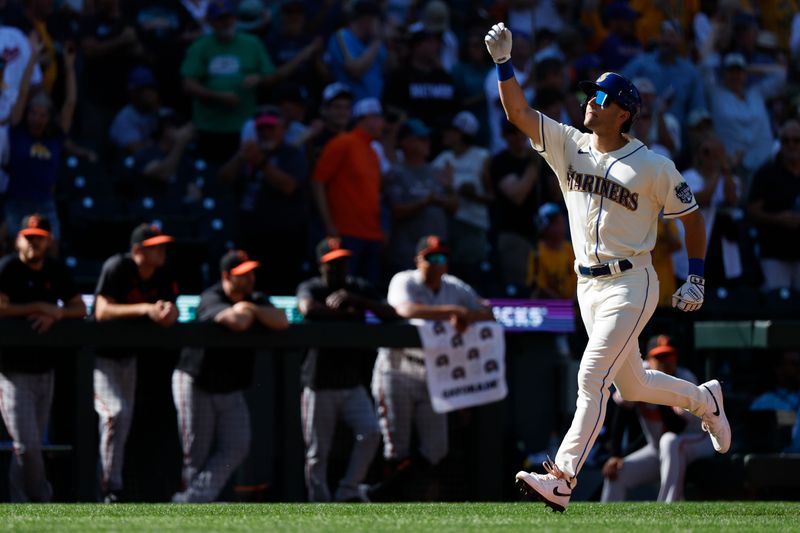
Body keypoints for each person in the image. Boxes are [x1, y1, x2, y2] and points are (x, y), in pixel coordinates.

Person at [485, 22, 730, 513]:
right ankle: (705, 400)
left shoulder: (653, 166)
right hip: (587, 286)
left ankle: (563, 477)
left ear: (624, 113)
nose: (590, 101)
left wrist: (696, 276)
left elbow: (694, 218)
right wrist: (504, 65)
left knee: (591, 375)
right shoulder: (567, 143)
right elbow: (516, 112)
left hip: (632, 282)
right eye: (591, 94)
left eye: (601, 96)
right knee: (632, 385)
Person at [370, 235, 495, 500]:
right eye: (431, 257)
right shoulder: (404, 280)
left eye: (442, 257)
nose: (438, 263)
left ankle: (398, 496)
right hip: (398, 368)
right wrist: (454, 312)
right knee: (396, 447)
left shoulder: (454, 286)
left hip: (435, 373)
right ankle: (386, 502)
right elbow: (404, 310)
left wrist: (466, 315)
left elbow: (488, 312)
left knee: (436, 449)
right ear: (418, 260)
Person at [173, 250, 289, 502]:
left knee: (237, 445)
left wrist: (250, 308)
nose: (249, 279)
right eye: (242, 275)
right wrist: (249, 312)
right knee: (196, 452)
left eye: (251, 273)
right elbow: (237, 322)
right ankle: (192, 505)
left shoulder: (255, 299)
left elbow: (281, 320)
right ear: (226, 276)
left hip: (229, 385)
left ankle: (191, 500)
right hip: (196, 380)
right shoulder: (211, 296)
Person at [297, 237, 398, 502]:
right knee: (317, 452)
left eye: (342, 261)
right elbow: (306, 307)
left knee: (371, 432)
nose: (339, 267)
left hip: (351, 382)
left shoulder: (357, 287)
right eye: (333, 263)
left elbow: (392, 313)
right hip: (318, 383)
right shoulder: (313, 287)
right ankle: (319, 502)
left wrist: (357, 301)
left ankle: (347, 491)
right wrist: (345, 315)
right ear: (321, 265)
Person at [0, 214, 86, 502]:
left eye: (40, 237)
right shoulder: (8, 268)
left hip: (44, 371)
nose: (34, 242)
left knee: (27, 446)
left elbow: (80, 308)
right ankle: (42, 500)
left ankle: (18, 504)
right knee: (27, 445)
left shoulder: (55, 270)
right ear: (18, 239)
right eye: (29, 237)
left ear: (49, 241)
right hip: (12, 372)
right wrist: (37, 306)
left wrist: (57, 313)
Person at [93, 224, 179, 503]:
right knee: (115, 414)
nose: (162, 251)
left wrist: (169, 313)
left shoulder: (164, 273)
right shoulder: (118, 266)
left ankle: (112, 486)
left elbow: (172, 307)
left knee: (124, 419)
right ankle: (108, 488)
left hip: (130, 359)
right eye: (155, 246)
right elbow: (101, 310)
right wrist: (146, 308)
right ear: (138, 249)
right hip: (101, 358)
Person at [601, 335, 714, 503]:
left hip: (697, 442)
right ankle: (604, 525)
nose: (665, 362)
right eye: (659, 357)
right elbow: (621, 411)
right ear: (648, 360)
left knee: (670, 441)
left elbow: (677, 427)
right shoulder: (638, 377)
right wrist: (614, 454)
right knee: (617, 474)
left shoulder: (686, 379)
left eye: (669, 356)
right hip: (658, 450)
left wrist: (658, 391)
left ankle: (668, 506)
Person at [219, 106, 309, 295]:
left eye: (270, 128)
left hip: (283, 239)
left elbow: (289, 185)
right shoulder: (247, 154)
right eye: (261, 129)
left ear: (282, 129)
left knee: (281, 289)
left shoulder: (291, 154)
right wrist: (240, 157)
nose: (265, 133)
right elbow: (222, 180)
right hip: (250, 236)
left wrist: (259, 162)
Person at [181, 0, 276, 163]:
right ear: (211, 22)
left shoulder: (251, 43)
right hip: (209, 126)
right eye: (220, 19)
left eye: (229, 18)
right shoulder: (200, 46)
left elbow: (271, 75)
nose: (226, 23)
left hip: (244, 124)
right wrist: (218, 96)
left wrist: (258, 78)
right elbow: (188, 83)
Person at [5, 33, 76, 243]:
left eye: (42, 114)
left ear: (49, 117)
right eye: (33, 113)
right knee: (13, 246)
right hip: (16, 202)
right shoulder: (18, 130)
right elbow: (23, 92)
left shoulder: (54, 138)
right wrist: (32, 59)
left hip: (45, 203)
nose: (37, 118)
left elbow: (70, 102)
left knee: (52, 246)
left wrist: (69, 66)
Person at [312, 97, 385, 285]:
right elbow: (318, 182)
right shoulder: (343, 143)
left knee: (369, 293)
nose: (382, 123)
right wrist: (329, 225)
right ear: (363, 119)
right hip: (345, 233)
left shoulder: (373, 151)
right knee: (342, 289)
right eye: (377, 117)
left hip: (372, 234)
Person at [385, 118, 457, 273]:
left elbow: (455, 208)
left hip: (437, 254)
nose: (428, 143)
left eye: (428, 139)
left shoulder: (437, 172)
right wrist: (426, 202)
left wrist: (450, 188)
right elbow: (396, 211)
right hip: (407, 256)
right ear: (405, 143)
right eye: (422, 139)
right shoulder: (396, 173)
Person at [747, 119, 800, 292]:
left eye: (796, 140)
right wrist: (778, 219)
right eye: (786, 140)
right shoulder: (767, 174)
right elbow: (752, 211)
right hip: (774, 255)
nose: (791, 145)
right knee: (777, 310)